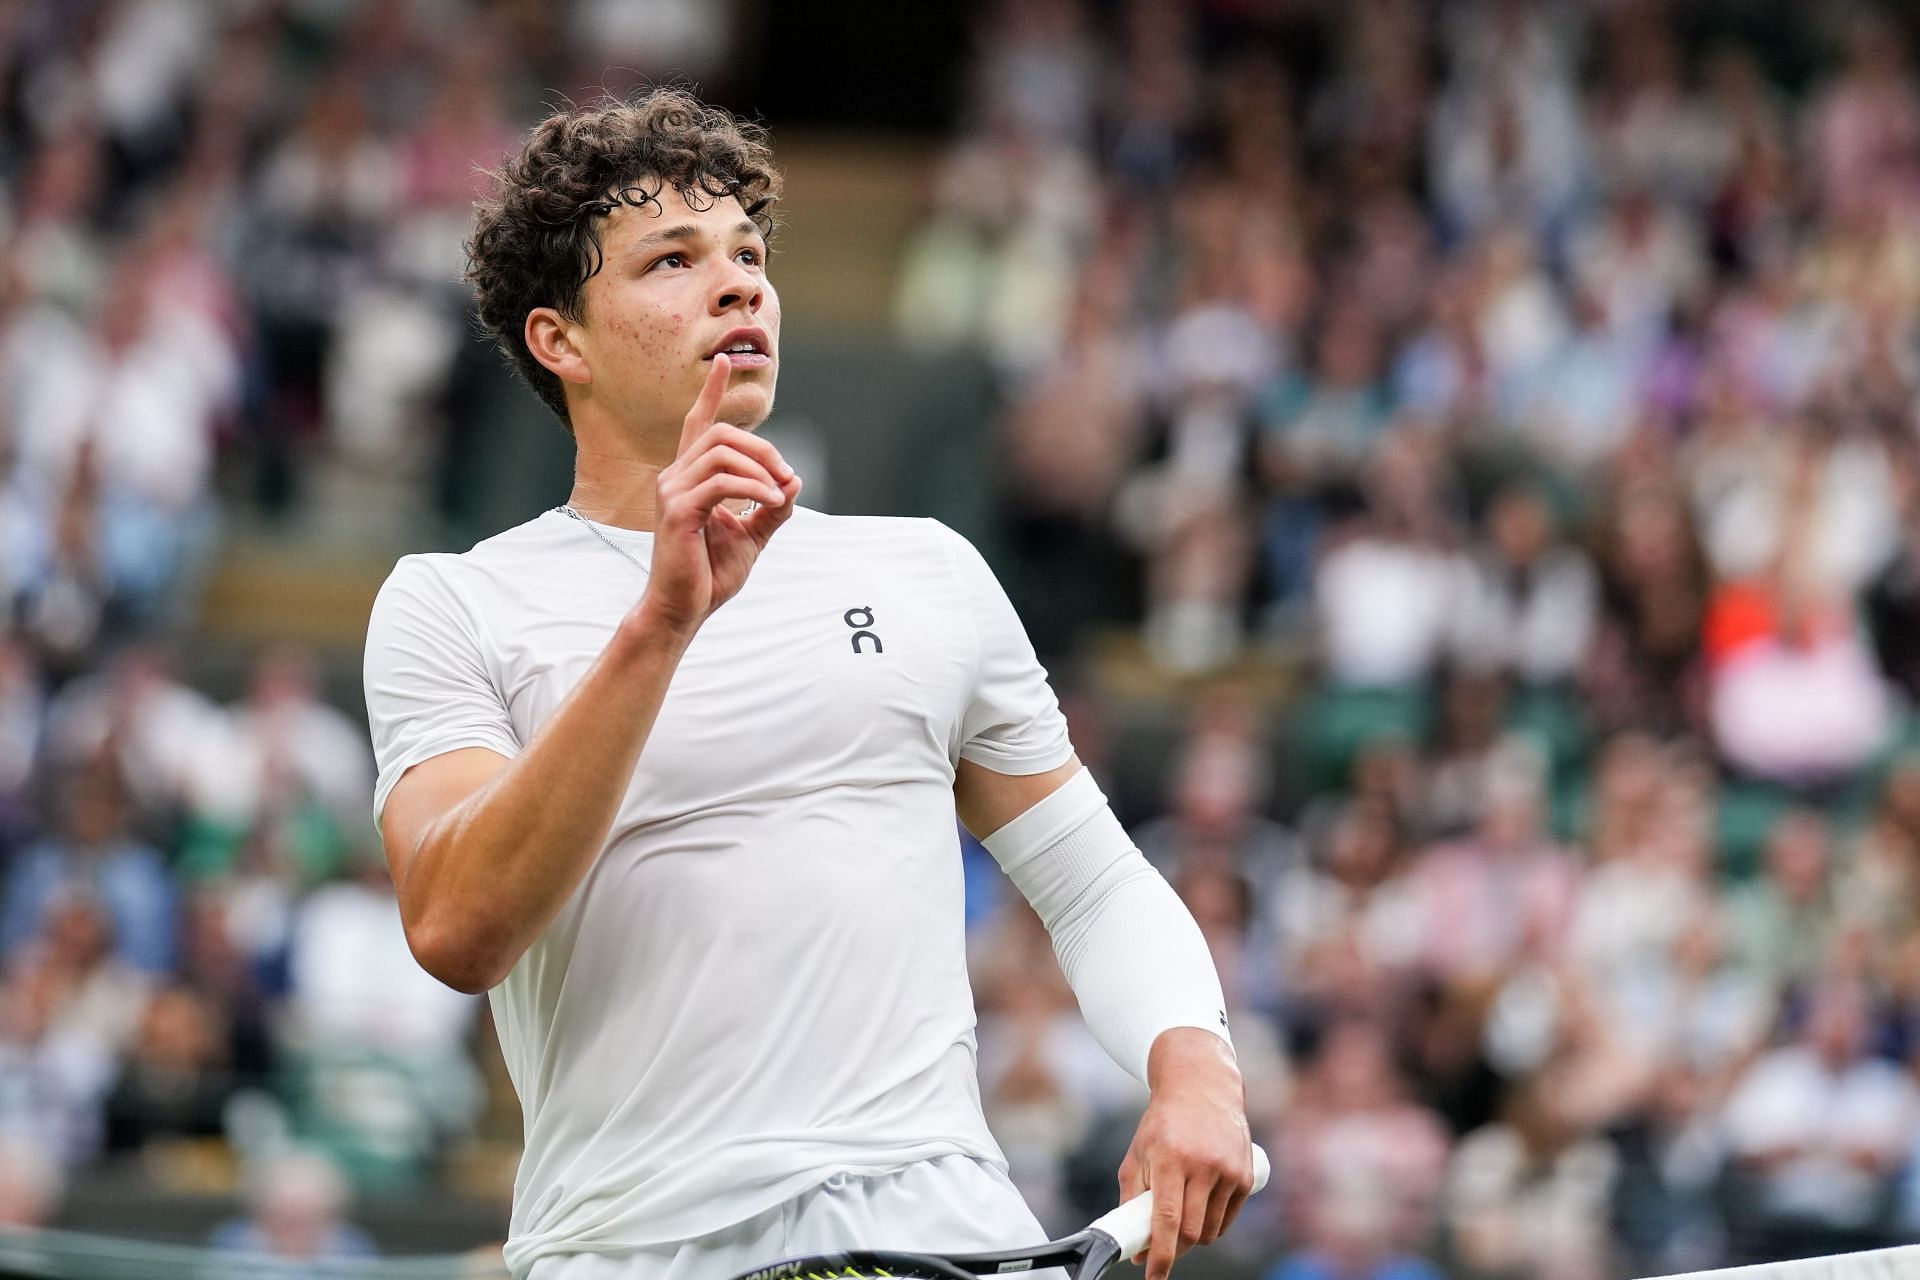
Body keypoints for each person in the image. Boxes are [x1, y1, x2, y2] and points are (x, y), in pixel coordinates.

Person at [362, 89, 1252, 1280]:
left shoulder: (929, 569)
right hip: (634, 1250)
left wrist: (1196, 1067)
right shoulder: (452, 602)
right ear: (557, 339)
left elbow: (1090, 884)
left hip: (940, 1234)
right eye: (671, 260)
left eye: (746, 254)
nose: (736, 285)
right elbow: (459, 924)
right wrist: (662, 623)